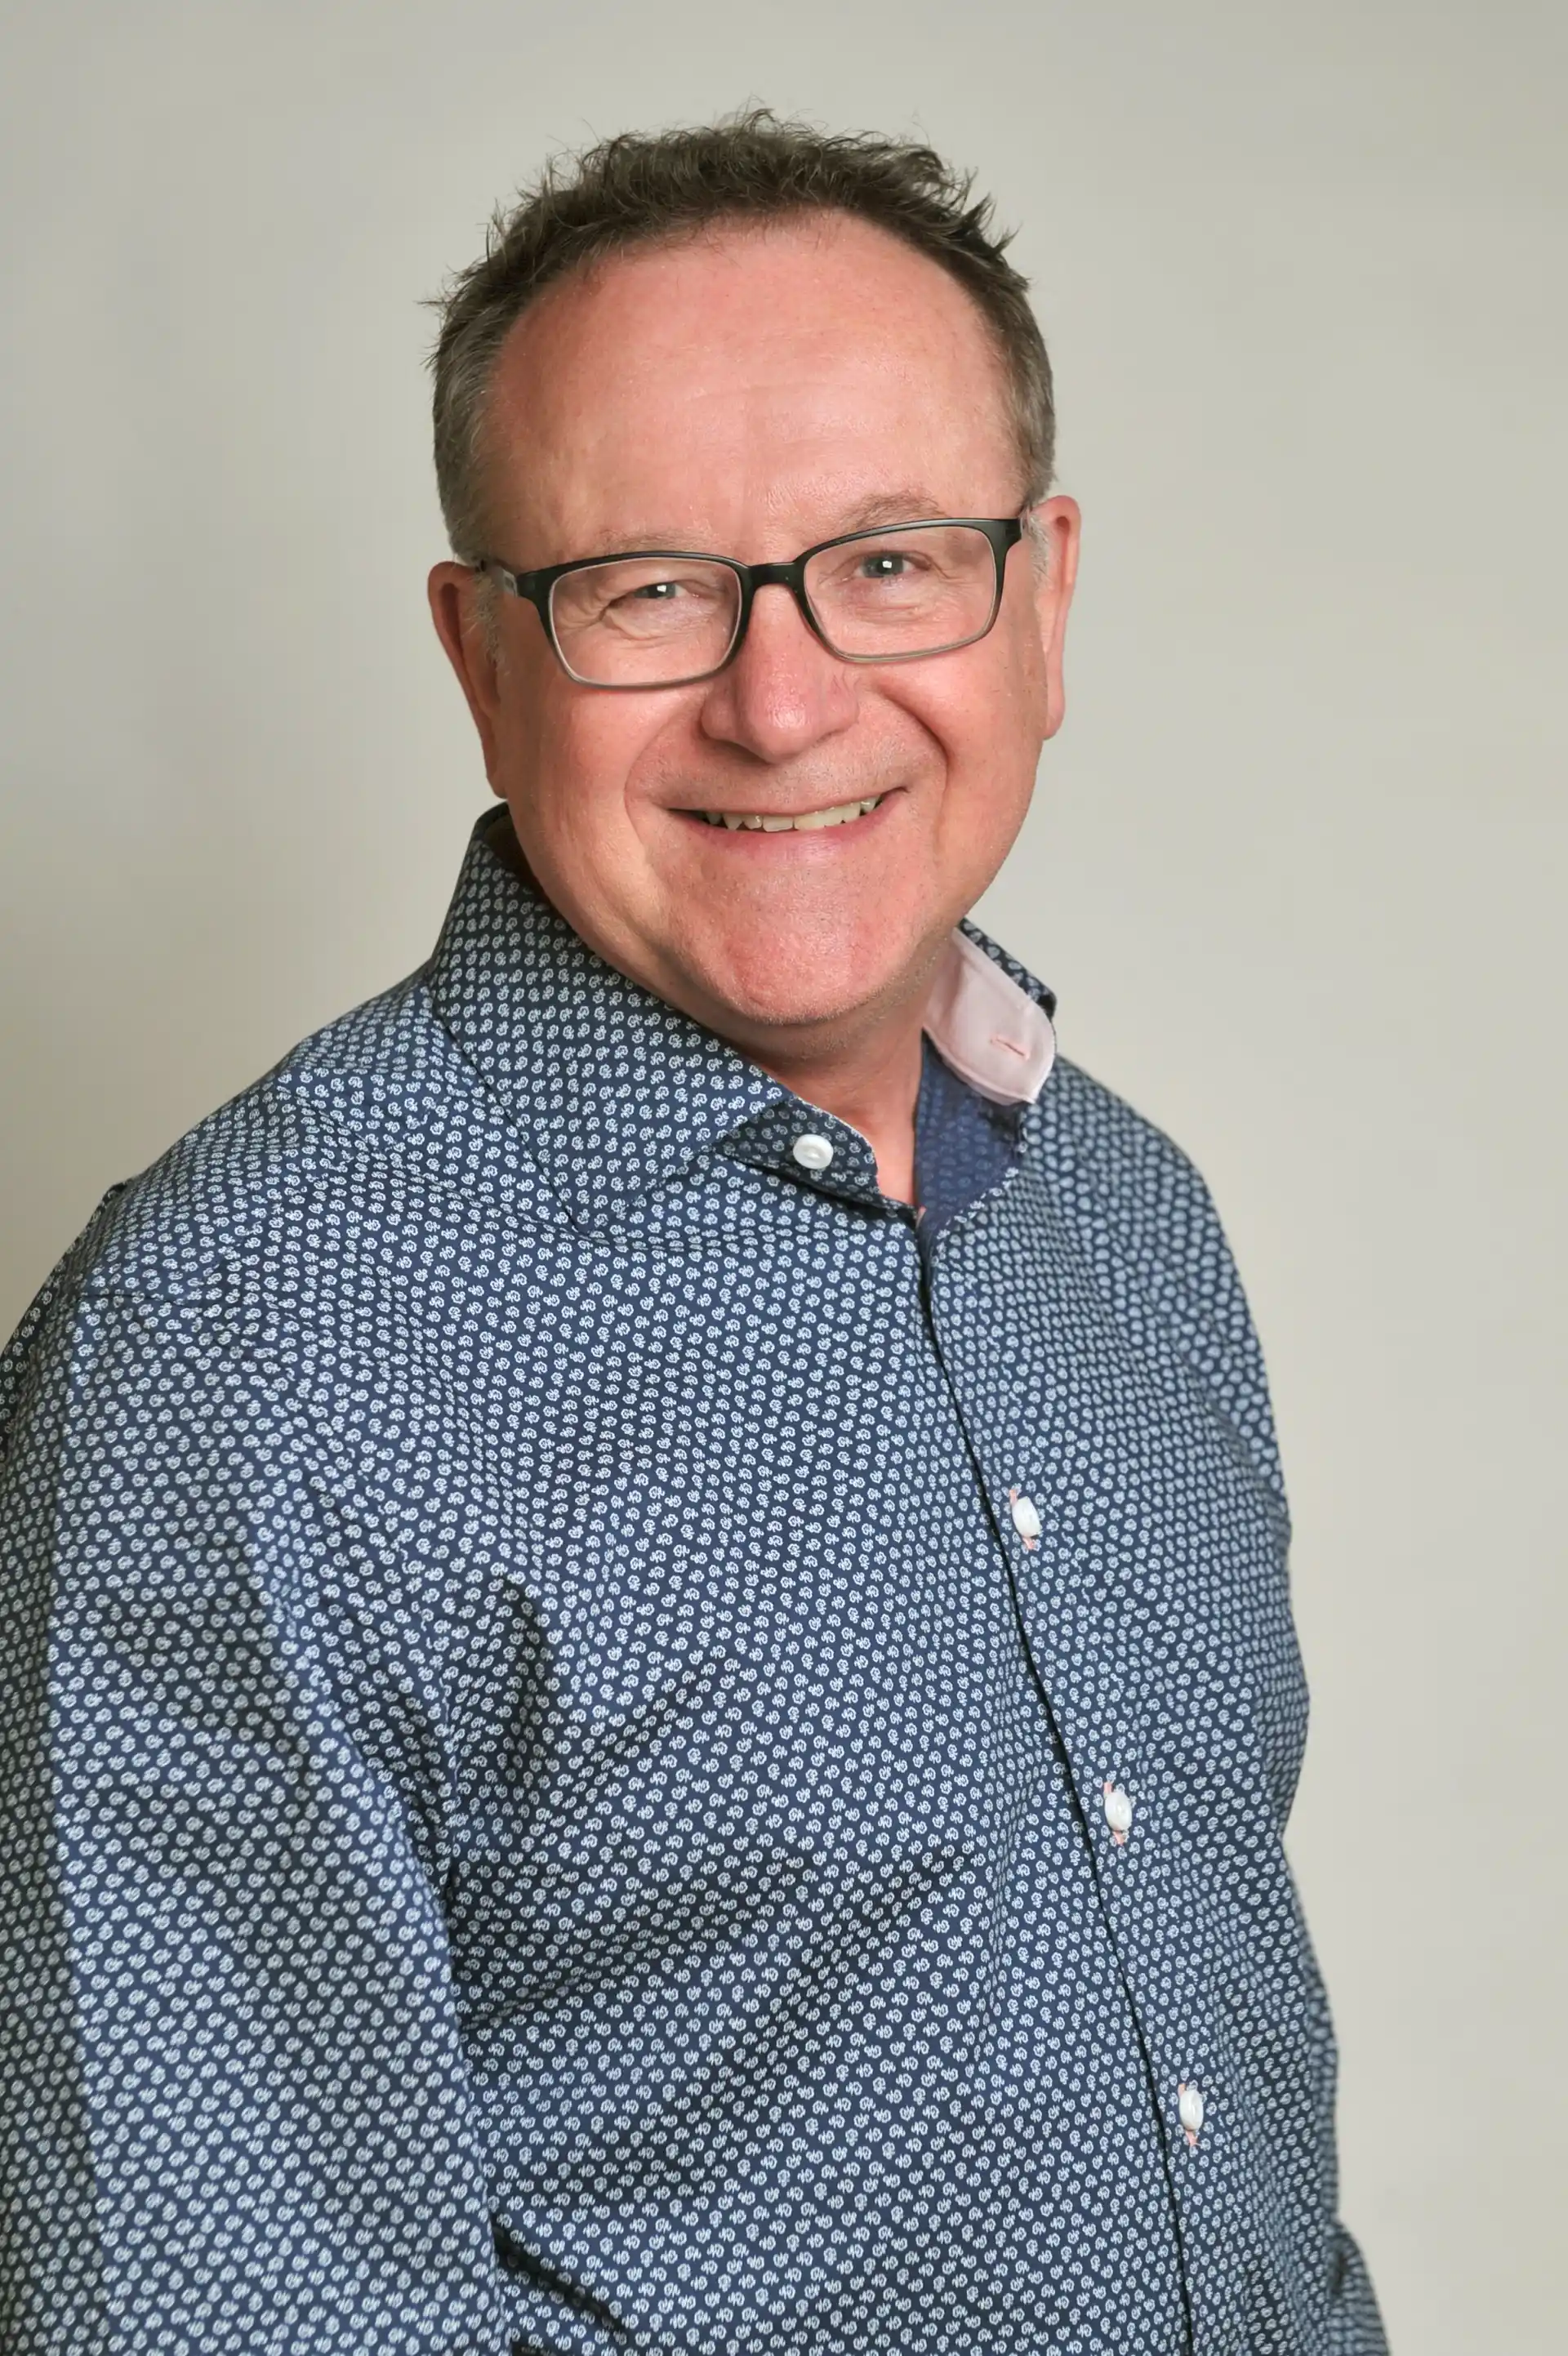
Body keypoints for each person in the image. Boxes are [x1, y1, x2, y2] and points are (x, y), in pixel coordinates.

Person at [0, 110, 1386, 2356]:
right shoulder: (230, 1357)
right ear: (481, 654)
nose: (782, 696)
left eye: (895, 559)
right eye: (648, 585)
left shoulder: (1132, 1218)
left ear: (1041, 602)